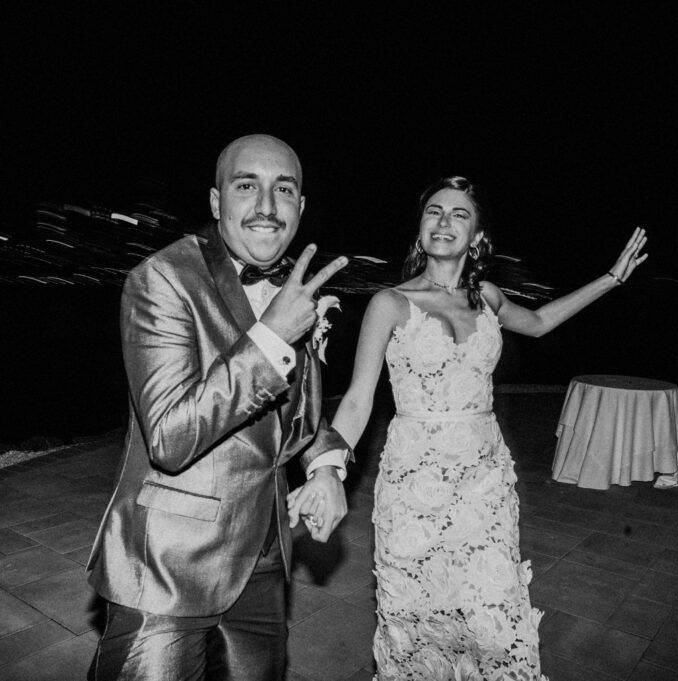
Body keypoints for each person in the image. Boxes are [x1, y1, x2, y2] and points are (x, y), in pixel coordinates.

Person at [290, 176, 647, 679]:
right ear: (420, 232)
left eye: (459, 214)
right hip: (415, 484)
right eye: (434, 212)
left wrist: (611, 278)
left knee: (492, 615)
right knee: (418, 620)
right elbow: (357, 397)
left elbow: (541, 322)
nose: (443, 221)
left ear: (477, 236)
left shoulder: (488, 298)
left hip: (484, 484)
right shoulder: (389, 303)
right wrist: (327, 470)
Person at [86, 134, 352, 681]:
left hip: (265, 556)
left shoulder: (296, 287)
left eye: (283, 189)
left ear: (300, 208)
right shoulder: (162, 279)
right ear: (215, 202)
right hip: (169, 565)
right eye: (246, 185)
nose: (265, 206)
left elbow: (296, 408)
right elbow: (169, 437)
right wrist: (274, 335)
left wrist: (325, 466)